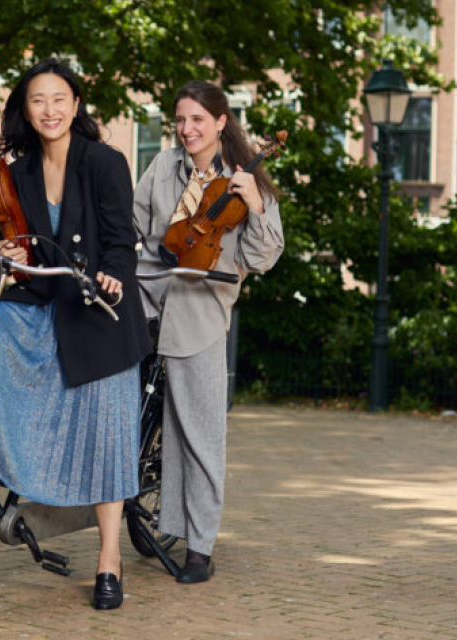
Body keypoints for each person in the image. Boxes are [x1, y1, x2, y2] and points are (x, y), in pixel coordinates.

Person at [0, 58, 153, 610]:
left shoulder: (105, 162)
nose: (49, 110)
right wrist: (10, 252)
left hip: (100, 309)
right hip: (47, 301)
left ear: (76, 104)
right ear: (26, 109)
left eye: (59, 98)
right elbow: (23, 254)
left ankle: (109, 558)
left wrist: (113, 275)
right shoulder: (16, 174)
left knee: (107, 435)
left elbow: (121, 240)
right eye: (38, 100)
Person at [132, 80, 284, 583]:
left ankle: (199, 546)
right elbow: (132, 225)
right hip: (146, 298)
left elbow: (261, 258)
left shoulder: (245, 180)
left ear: (220, 122)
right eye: (180, 119)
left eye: (197, 119)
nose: (187, 129)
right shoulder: (162, 166)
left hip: (199, 314)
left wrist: (255, 204)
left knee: (199, 435)